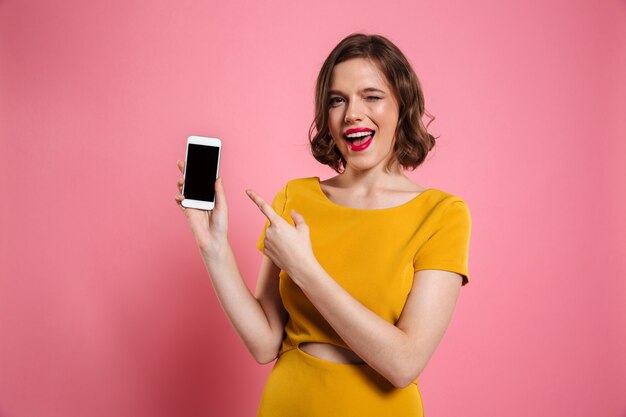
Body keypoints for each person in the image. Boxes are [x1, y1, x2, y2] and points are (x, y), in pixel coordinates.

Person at [175, 33, 471, 417]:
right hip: (289, 403)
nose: (352, 113)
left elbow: (404, 363)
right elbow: (265, 342)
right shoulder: (295, 198)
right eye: (337, 100)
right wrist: (212, 246)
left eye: (371, 96)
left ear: (403, 105)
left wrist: (305, 269)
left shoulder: (442, 213)